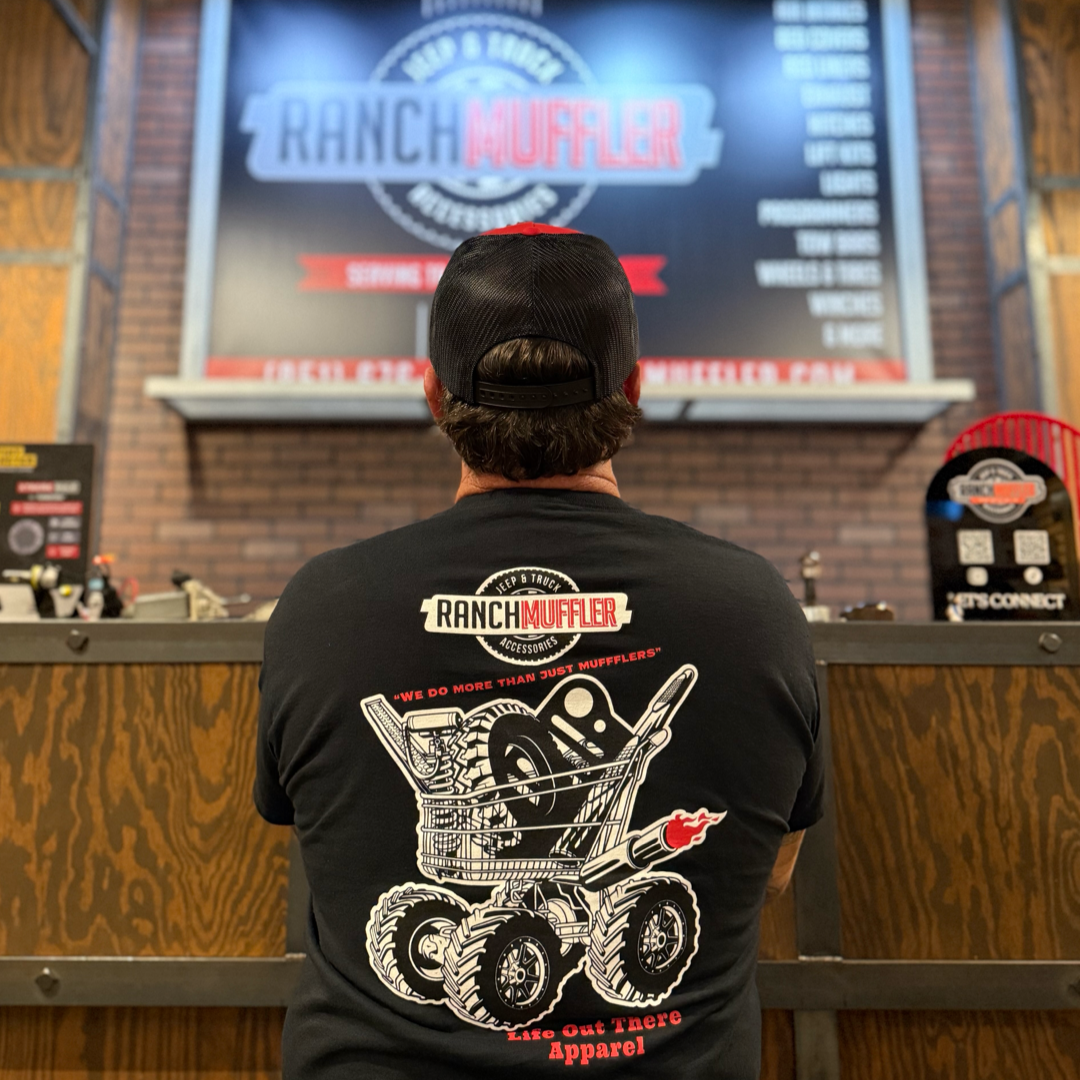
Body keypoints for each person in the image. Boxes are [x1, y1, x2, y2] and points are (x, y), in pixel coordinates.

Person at [255, 222, 823, 1079]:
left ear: (434, 395)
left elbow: (322, 843)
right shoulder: (754, 609)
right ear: (633, 386)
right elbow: (772, 871)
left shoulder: (321, 607)